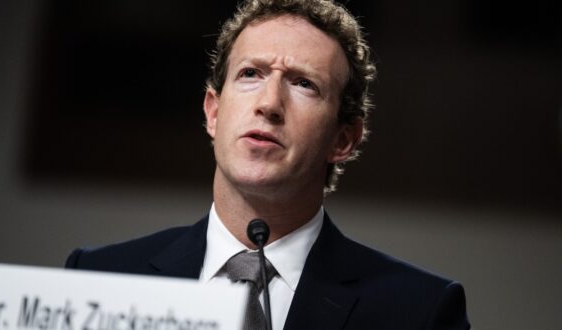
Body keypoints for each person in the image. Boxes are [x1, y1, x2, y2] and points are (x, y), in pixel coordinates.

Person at [66, 0, 471, 329]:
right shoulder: (100, 277)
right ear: (213, 112)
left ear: (343, 138)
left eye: (303, 84)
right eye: (250, 74)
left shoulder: (419, 312)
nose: (269, 104)